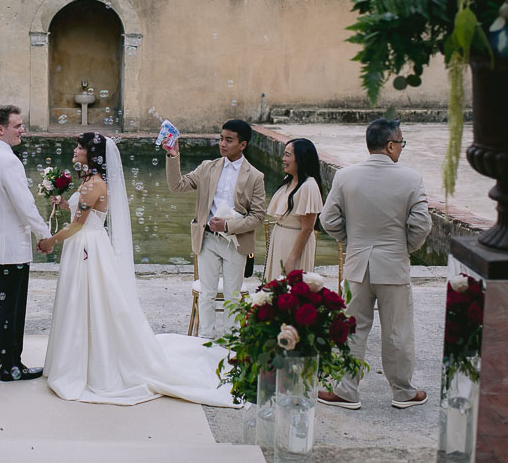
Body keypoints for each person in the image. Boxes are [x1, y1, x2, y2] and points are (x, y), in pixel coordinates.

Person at [37, 132, 239, 407]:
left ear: (91, 154)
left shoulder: (92, 184)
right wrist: (63, 203)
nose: (75, 151)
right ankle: (78, 357)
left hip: (86, 247)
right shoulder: (90, 181)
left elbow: (77, 225)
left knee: (86, 300)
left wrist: (50, 240)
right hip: (86, 245)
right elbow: (82, 215)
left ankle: (85, 363)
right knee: (83, 301)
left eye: (80, 147)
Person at [317, 118, 432, 410]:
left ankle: (346, 390)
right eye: (401, 143)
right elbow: (421, 225)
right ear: (391, 145)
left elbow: (328, 219)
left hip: (357, 263)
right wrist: (404, 248)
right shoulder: (411, 179)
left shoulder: (345, 176)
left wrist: (352, 239)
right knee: (397, 330)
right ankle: (402, 392)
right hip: (393, 264)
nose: (401, 148)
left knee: (352, 328)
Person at [164, 119, 266, 339]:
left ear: (243, 144)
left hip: (236, 243)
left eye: (229, 140)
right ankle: (205, 341)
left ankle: (231, 342)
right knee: (207, 294)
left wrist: (228, 225)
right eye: (221, 138)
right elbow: (177, 185)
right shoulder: (207, 167)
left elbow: (258, 216)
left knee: (232, 296)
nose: (222, 144)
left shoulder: (255, 176)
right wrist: (173, 155)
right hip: (207, 239)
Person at [0, 104, 51, 382]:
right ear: (0, 129)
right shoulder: (8, 161)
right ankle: (11, 366)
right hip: (10, 250)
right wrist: (44, 234)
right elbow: (25, 205)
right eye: (17, 126)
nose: (22, 130)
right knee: (11, 309)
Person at [265, 138, 324, 277]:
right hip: (280, 237)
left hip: (294, 243)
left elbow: (307, 228)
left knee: (290, 285)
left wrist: (292, 259)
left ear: (301, 158)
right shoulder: (289, 180)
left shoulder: (308, 186)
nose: (283, 159)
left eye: (288, 155)